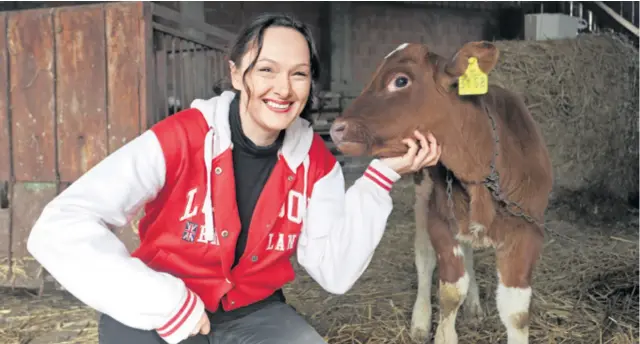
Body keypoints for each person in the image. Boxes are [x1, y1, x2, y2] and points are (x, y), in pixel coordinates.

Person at [26, 12, 442, 344]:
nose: (283, 87)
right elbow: (60, 226)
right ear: (237, 74)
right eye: (266, 70)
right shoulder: (183, 136)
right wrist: (163, 302)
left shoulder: (317, 164)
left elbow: (334, 272)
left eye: (298, 73)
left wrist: (380, 177)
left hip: (256, 313)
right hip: (156, 310)